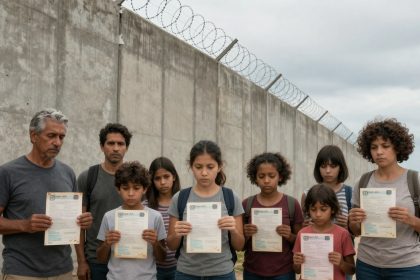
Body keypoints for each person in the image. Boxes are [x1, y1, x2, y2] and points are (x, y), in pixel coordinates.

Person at [0, 108, 93, 279]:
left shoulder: (67, 173)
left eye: (61, 137)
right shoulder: (8, 173)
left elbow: (75, 224)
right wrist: (25, 225)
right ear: (33, 136)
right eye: (51, 136)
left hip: (63, 271)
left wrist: (81, 260)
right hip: (21, 272)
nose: (57, 142)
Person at [348, 118, 420, 279]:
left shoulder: (416, 180)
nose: (379, 152)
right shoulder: (362, 181)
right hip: (367, 265)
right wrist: (353, 221)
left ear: (397, 147)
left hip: (407, 266)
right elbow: (356, 231)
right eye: (374, 147)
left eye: (385, 146)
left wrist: (411, 220)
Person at [167, 140, 244, 280]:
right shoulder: (180, 198)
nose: (204, 173)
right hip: (186, 272)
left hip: (222, 272)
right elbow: (171, 245)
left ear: (219, 166)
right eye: (198, 167)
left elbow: (239, 245)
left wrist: (233, 230)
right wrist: (177, 234)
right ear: (191, 167)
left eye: (210, 167)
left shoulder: (231, 197)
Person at [76, 123, 132, 280]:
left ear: (126, 148)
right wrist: (81, 262)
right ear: (102, 146)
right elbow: (78, 224)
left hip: (130, 258)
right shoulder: (88, 177)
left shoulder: (136, 179)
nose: (115, 148)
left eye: (120, 144)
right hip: (96, 260)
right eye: (110, 143)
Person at [96, 161, 167, 280]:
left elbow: (162, 258)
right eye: (125, 188)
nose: (130, 193)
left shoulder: (155, 217)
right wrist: (107, 243)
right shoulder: (109, 217)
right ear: (118, 189)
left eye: (136, 188)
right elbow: (100, 258)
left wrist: (155, 243)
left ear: (144, 189)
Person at [242, 152, 304, 280]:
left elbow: (301, 241)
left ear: (280, 177)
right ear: (255, 178)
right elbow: (239, 246)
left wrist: (290, 236)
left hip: (284, 272)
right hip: (252, 271)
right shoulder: (247, 204)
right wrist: (246, 234)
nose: (266, 180)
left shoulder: (292, 204)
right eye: (261, 176)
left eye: (271, 175)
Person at [293, 184, 355, 280]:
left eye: (323, 209)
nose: (318, 214)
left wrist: (341, 263)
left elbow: (352, 270)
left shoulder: (343, 234)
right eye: (313, 209)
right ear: (308, 210)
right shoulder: (302, 234)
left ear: (333, 209)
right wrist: (297, 263)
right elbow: (297, 270)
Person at [301, 145, 352, 230]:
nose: (328, 171)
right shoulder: (307, 194)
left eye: (333, 166)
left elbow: (357, 230)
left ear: (341, 168)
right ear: (318, 168)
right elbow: (303, 226)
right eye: (323, 166)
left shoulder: (350, 193)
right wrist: (305, 225)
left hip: (341, 242)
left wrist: (348, 225)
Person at [146, 157, 181, 280]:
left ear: (174, 177)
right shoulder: (144, 207)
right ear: (151, 180)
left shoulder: (184, 203)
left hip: (180, 267)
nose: (162, 182)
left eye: (166, 177)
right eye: (157, 178)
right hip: (151, 268)